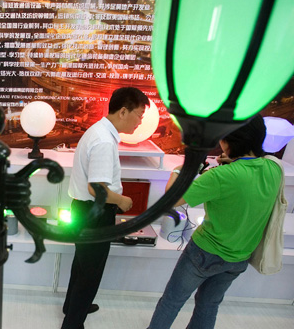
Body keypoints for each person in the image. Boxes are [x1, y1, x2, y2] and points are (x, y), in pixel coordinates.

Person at [148, 114, 282, 329]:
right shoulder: (274, 168)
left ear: (229, 140)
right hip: (240, 257)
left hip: (204, 253)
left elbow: (171, 198)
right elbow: (247, 173)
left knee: (172, 302)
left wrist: (179, 169)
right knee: (209, 305)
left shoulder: (221, 176)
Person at [62, 87, 149, 329]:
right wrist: (122, 201)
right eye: (139, 116)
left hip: (83, 212)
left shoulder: (99, 132)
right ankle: (72, 323)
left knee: (82, 264)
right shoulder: (103, 141)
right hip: (95, 215)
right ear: (123, 111)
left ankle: (72, 307)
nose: (140, 123)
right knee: (90, 272)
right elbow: (96, 189)